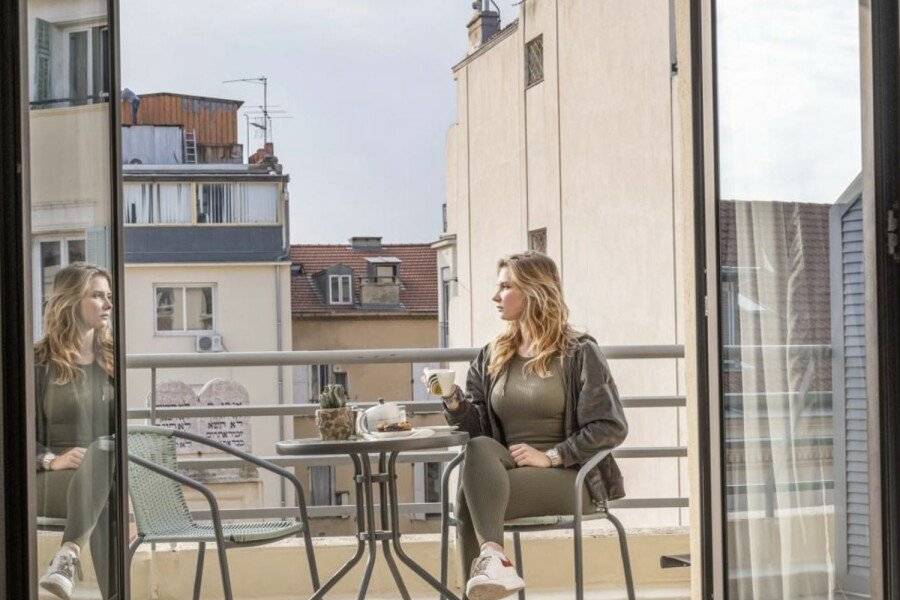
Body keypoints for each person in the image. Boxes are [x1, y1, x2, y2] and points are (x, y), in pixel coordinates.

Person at [427, 251, 628, 600]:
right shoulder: (493, 354)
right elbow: (479, 434)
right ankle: (494, 561)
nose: (495, 296)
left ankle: (490, 569)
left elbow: (611, 426)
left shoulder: (578, 353)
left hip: (570, 477)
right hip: (507, 471)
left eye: (506, 286)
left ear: (534, 291)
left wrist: (551, 455)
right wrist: (453, 401)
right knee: (477, 453)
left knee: (467, 497)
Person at [35, 263, 118, 600]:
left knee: (104, 455)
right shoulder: (38, 360)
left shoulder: (112, 360)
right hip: (49, 480)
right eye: (98, 296)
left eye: (109, 296)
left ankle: (67, 556)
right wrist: (50, 459)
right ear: (70, 302)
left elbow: (120, 435)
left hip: (102, 474)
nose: (108, 305)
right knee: (104, 496)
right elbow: (11, 431)